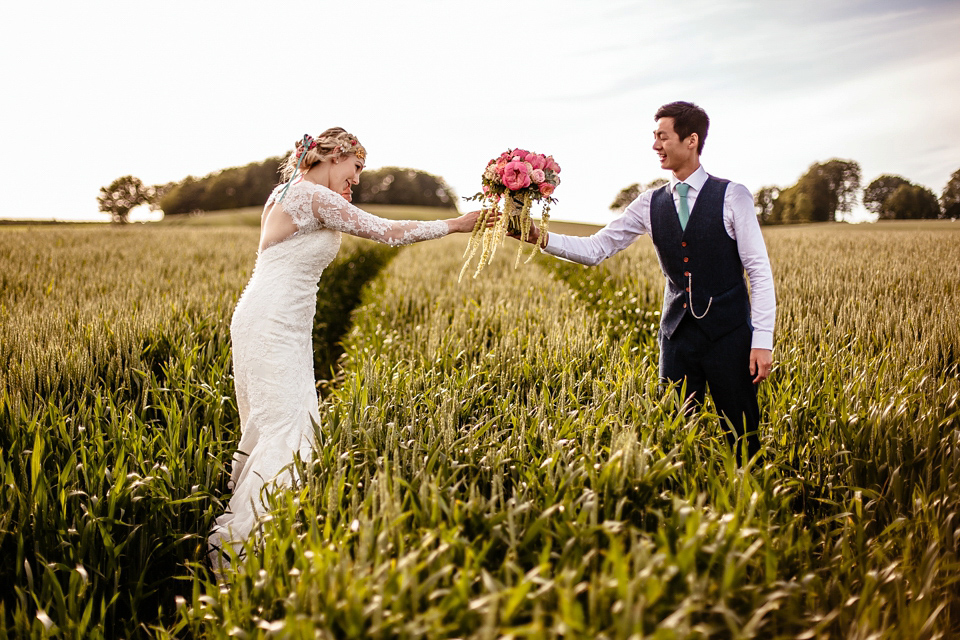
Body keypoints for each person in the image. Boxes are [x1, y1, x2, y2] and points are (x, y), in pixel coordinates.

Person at [209, 127, 484, 564]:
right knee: (289, 427)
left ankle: (272, 541)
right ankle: (255, 553)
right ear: (334, 155)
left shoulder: (285, 191)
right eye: (355, 169)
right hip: (274, 322)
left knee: (284, 423)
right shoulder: (314, 196)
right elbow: (387, 231)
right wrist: (456, 223)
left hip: (269, 319)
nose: (356, 180)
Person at [514, 102, 775, 460]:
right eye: (654, 137)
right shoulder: (647, 203)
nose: (655, 145)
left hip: (730, 337)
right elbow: (596, 248)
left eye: (662, 137)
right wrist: (537, 236)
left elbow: (758, 270)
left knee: (742, 436)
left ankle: (750, 502)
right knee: (675, 438)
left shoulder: (733, 196)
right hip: (677, 339)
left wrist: (762, 340)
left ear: (691, 140)